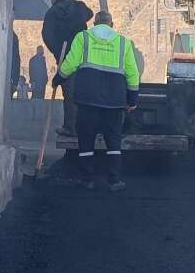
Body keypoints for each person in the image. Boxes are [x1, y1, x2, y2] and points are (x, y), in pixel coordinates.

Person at [58, 11, 140, 192]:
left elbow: (71, 63)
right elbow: (133, 73)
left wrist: (59, 77)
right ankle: (114, 180)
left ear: (94, 24)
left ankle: (87, 179)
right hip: (114, 102)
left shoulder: (83, 37)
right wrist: (132, 99)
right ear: (112, 24)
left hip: (88, 100)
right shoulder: (123, 43)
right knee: (114, 142)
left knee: (86, 140)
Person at [42, 0, 93, 137]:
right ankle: (85, 127)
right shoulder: (79, 7)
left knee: (69, 93)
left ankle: (71, 127)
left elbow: (47, 36)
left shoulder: (52, 12)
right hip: (83, 58)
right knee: (83, 92)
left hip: (65, 57)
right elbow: (89, 14)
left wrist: (58, 52)